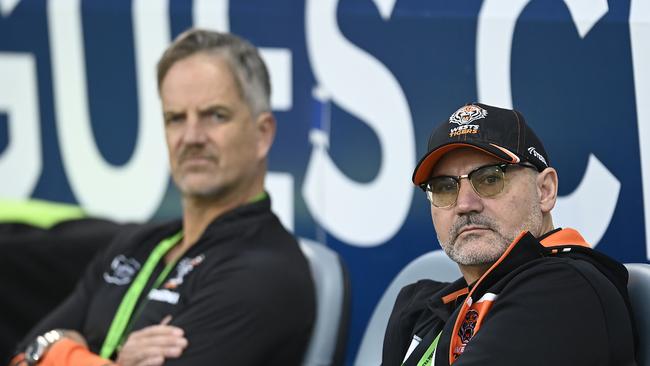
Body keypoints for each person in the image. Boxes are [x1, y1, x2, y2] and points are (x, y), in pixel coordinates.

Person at [10, 28, 315, 366]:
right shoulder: (135, 245)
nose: (192, 136)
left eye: (216, 115)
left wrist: (60, 353)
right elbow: (22, 355)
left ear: (263, 134)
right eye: (175, 118)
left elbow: (41, 352)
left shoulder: (265, 272)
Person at [381, 103, 637, 365]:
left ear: (545, 190)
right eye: (445, 187)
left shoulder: (566, 289)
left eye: (490, 179)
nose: (465, 204)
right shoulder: (423, 309)